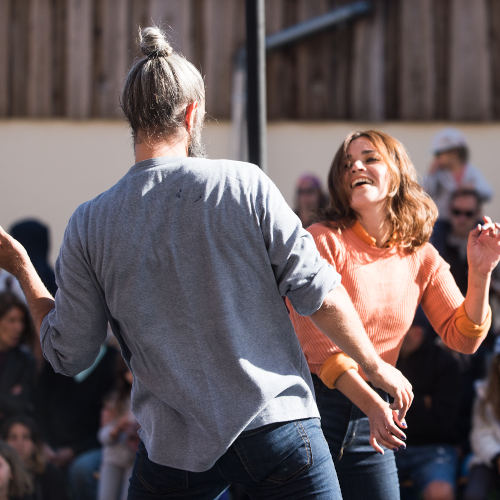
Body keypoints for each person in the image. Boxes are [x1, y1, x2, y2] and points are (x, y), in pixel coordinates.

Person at [0, 26, 413, 499]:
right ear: (193, 115)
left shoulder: (89, 222)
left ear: (131, 120)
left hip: (174, 452)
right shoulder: (244, 185)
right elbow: (319, 294)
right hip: (277, 427)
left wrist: (21, 268)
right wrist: (374, 366)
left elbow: (67, 353)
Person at [289, 129, 498, 500]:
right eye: (347, 162)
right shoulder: (323, 239)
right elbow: (319, 348)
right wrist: (373, 401)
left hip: (375, 422)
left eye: (369, 158)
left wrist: (480, 273)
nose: (356, 166)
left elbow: (463, 338)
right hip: (315, 413)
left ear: (397, 172)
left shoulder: (421, 255)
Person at [395, 313, 461, 500]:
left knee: (440, 492)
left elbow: (444, 420)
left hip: (434, 449)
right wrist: (423, 402)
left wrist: (403, 405)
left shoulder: (445, 363)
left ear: (418, 332)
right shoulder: (387, 359)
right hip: (390, 445)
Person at [423, 128, 492, 221]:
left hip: (468, 220)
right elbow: (425, 194)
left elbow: (488, 193)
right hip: (444, 221)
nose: (437, 158)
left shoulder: (471, 172)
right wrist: (430, 174)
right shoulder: (438, 174)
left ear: (454, 153)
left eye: (439, 154)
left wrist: (472, 188)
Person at [464, 337, 500, 500]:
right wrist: (496, 457)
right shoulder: (483, 392)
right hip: (488, 459)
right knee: (474, 494)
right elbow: (479, 434)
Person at [97, 357, 137, 500]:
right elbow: (104, 436)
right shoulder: (114, 400)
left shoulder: (148, 402)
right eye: (129, 371)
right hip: (113, 457)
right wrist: (117, 428)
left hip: (136, 460)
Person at [2, 416, 68, 500]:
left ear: (35, 444)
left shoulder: (50, 473)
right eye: (13, 437)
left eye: (26, 437)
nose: (19, 444)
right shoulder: (2, 474)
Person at [0, 292, 37, 428]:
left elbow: (23, 405)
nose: (19, 328)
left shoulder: (25, 360)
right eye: (12, 320)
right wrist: (7, 396)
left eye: (21, 321)